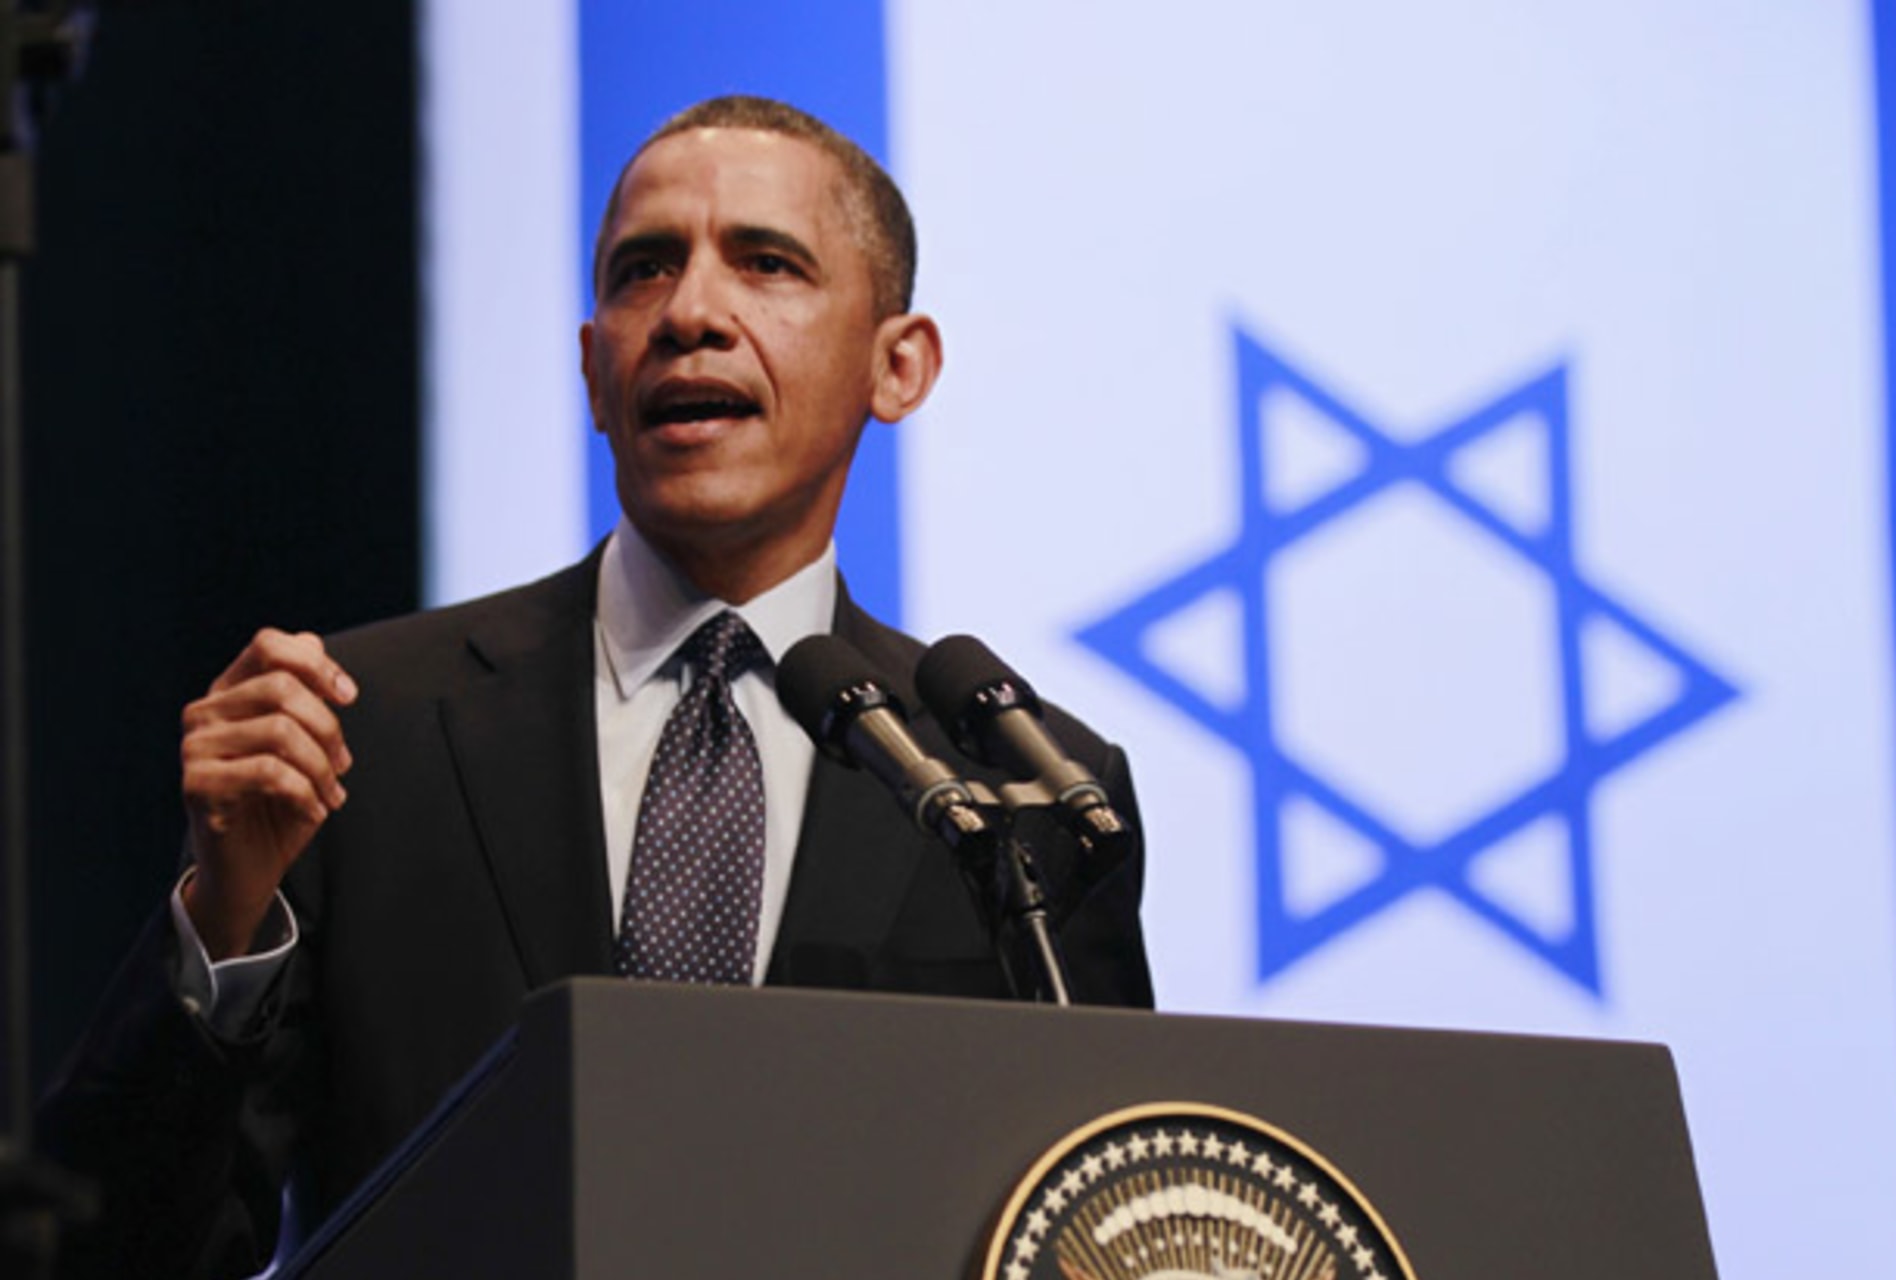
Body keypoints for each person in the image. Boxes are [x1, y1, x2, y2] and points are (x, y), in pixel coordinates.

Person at [38, 95, 1152, 1280]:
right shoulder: (362, 726)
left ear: (898, 365)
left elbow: (1114, 1220)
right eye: (643, 272)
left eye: (767, 264)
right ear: (591, 369)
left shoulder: (1022, 788)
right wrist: (223, 926)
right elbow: (108, 1254)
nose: (690, 314)